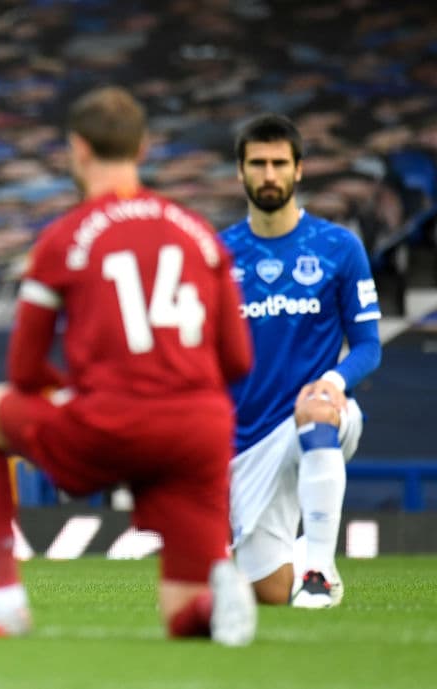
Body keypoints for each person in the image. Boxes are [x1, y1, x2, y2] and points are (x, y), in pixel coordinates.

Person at [0, 86, 257, 645]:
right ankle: (220, 594)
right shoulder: (200, 235)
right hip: (198, 431)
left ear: (78, 149)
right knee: (182, 618)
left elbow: (24, 370)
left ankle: (4, 601)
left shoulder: (63, 237)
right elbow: (237, 359)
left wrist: (71, 393)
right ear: (144, 148)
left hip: (113, 422)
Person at [221, 114, 382, 608]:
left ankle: (319, 571)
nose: (269, 174)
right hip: (247, 441)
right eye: (258, 164)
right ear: (241, 172)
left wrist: (333, 381)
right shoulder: (217, 255)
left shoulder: (339, 248)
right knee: (267, 593)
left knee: (316, 407)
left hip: (318, 417)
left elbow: (369, 345)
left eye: (278, 163)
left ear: (299, 170)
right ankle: (296, 560)